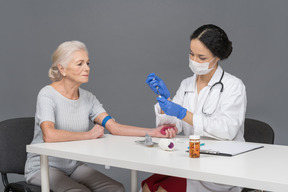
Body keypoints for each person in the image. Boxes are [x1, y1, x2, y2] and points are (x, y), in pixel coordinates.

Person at [24, 40, 177, 192]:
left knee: (116, 189)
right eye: (80, 64)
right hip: (43, 166)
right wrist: (89, 135)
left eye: (88, 63)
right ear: (62, 69)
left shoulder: (88, 98)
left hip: (74, 166)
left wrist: (153, 132)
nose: (87, 68)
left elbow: (114, 127)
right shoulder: (47, 95)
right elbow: (49, 135)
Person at [143, 24, 247, 192]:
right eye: (191, 54)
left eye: (202, 57)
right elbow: (174, 122)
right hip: (189, 161)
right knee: (148, 186)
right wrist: (164, 100)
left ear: (217, 57)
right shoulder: (187, 84)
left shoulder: (233, 86)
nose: (194, 61)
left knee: (163, 190)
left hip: (219, 166)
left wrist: (184, 113)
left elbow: (227, 129)